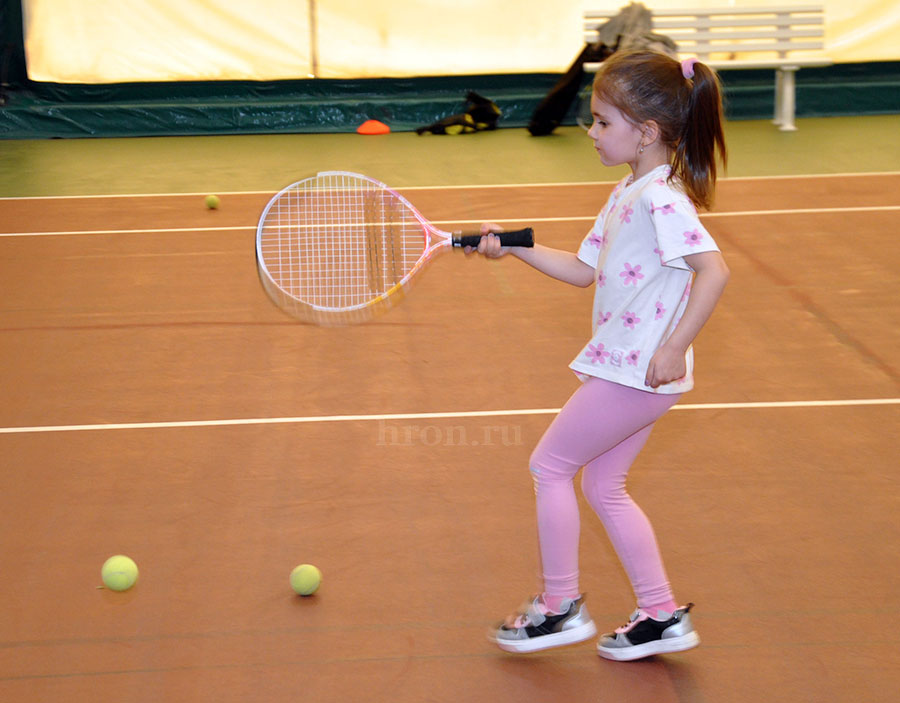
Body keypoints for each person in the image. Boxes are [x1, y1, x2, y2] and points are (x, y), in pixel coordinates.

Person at [466, 50, 730, 660]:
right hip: (634, 367)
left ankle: (559, 607)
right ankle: (660, 614)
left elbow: (713, 271)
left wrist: (674, 346)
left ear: (647, 133)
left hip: (637, 368)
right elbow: (585, 270)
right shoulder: (628, 192)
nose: (591, 131)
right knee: (605, 485)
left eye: (603, 122)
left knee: (550, 467)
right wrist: (514, 246)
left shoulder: (660, 198)